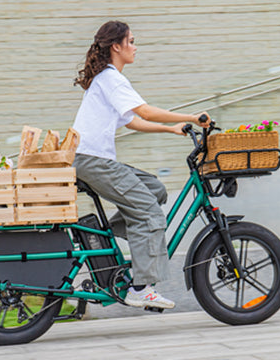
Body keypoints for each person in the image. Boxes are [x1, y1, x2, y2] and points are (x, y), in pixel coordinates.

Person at [72, 20, 209, 309]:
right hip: (93, 161)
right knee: (149, 214)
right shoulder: (111, 78)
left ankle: (115, 235)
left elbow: (133, 120)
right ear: (116, 46)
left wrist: (172, 129)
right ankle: (140, 287)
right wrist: (193, 117)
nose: (135, 47)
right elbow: (144, 110)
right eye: (131, 41)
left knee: (155, 189)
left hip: (93, 160)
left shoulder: (107, 79)